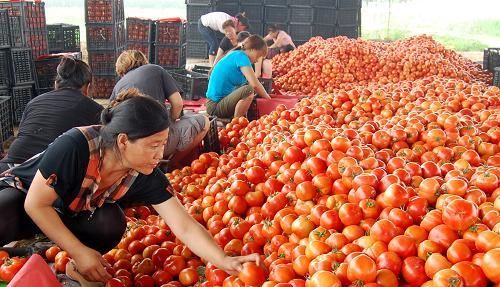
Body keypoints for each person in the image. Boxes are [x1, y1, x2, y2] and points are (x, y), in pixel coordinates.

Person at [0, 89, 260, 284]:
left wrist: (223, 260)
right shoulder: (77, 146)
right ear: (124, 141)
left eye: (163, 143)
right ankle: (47, 247)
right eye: (153, 145)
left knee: (110, 223)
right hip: (26, 197)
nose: (160, 154)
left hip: (69, 211)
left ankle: (68, 263)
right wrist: (78, 250)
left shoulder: (145, 174)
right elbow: (35, 204)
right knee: (4, 212)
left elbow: (184, 225)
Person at [0, 57, 103, 173]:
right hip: (45, 173)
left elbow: (23, 134)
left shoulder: (34, 102)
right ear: (88, 87)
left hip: (9, 166)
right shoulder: (95, 109)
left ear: (56, 84)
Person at [111, 50, 210, 171]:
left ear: (122, 72)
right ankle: (172, 164)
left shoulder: (117, 86)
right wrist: (171, 121)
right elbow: (178, 104)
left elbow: (111, 122)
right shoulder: (155, 69)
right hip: (155, 144)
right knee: (204, 122)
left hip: (128, 150)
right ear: (143, 61)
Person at [206, 35, 271, 119]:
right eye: (258, 56)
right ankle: (236, 122)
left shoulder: (237, 54)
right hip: (215, 106)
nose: (257, 60)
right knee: (248, 90)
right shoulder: (241, 57)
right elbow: (255, 84)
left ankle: (240, 120)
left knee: (249, 88)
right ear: (252, 50)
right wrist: (269, 100)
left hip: (220, 102)